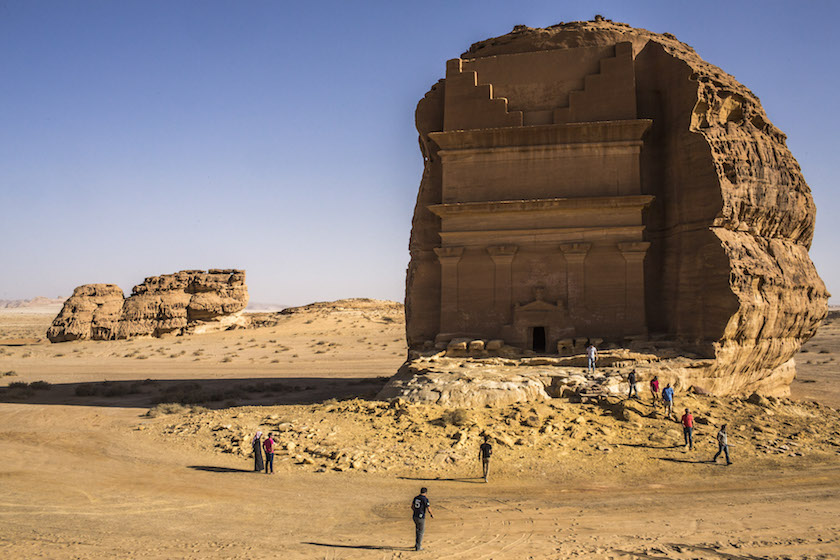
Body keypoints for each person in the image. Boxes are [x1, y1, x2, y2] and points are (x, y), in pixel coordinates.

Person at [411, 487, 433, 551]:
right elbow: (428, 508)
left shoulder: (416, 498)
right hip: (421, 517)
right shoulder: (425, 499)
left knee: (417, 530)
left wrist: (416, 511)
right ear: (426, 493)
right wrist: (431, 514)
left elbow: (412, 506)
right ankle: (418, 546)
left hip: (415, 516)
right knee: (421, 532)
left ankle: (416, 544)